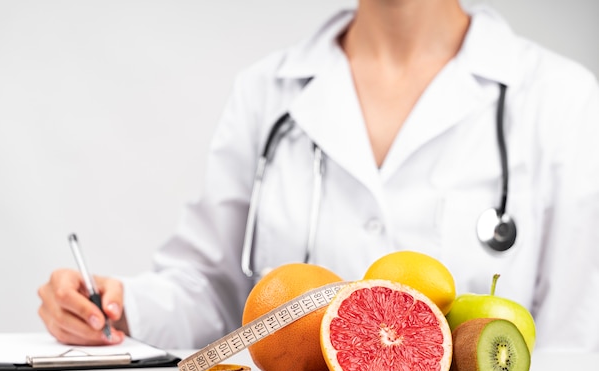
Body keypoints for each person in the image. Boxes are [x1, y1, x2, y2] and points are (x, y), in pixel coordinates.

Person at [38, 0, 599, 352]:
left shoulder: (562, 101)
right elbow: (214, 293)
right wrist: (116, 303)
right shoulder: (267, 91)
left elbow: (578, 339)